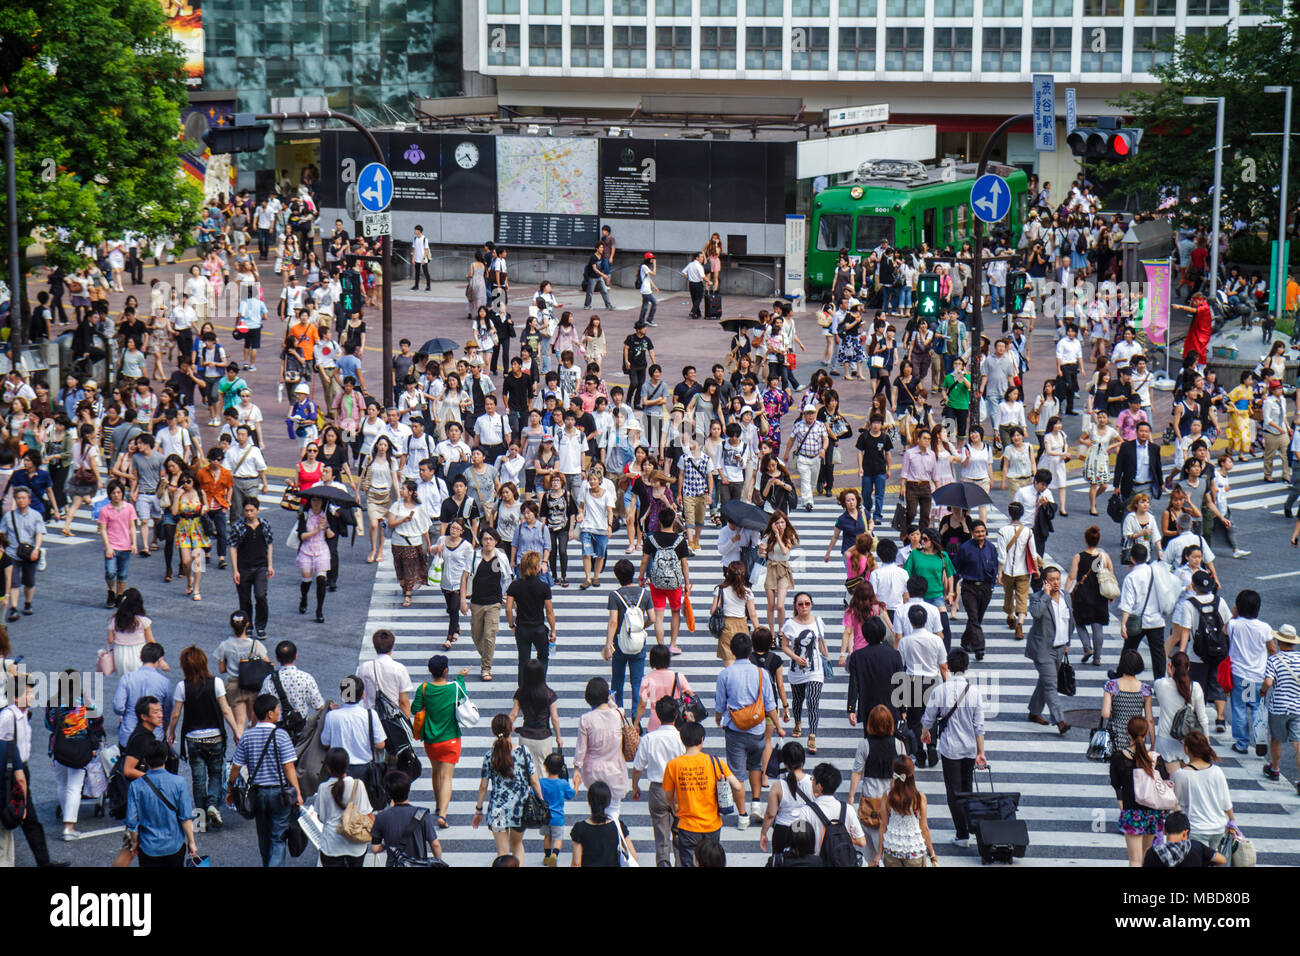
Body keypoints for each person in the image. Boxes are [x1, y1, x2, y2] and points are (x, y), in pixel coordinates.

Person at [166, 645, 241, 830]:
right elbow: (225, 710)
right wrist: (236, 731)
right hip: (215, 737)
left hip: (193, 738)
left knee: (198, 779)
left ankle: (200, 819)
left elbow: (175, 714)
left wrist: (171, 731)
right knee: (215, 774)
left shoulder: (182, 687)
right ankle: (213, 805)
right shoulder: (215, 683)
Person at [226, 694, 303, 867]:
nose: (279, 713)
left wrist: (230, 789)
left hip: (258, 793)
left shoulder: (247, 736)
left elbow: (236, 767)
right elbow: (289, 767)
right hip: (280, 793)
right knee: (278, 837)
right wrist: (297, 792)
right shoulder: (281, 735)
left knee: (264, 835)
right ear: (270, 713)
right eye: (277, 710)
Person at [714, 632, 780, 829]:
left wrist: (719, 719)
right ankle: (757, 805)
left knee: (737, 773)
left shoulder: (725, 674)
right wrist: (778, 726)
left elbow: (720, 704)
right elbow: (769, 704)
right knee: (755, 767)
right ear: (750, 650)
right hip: (757, 728)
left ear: (732, 651)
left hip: (735, 729)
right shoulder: (761, 673)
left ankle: (742, 816)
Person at [662, 720, 745, 867]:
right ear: (702, 739)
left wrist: (674, 809)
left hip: (687, 825)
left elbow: (668, 796)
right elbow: (738, 786)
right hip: (712, 824)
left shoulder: (673, 765)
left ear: (682, 740)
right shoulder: (715, 762)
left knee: (688, 862)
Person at [472, 712, 546, 865]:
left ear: (494, 731)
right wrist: (541, 800)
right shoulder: (523, 752)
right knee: (517, 844)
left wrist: (478, 809)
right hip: (520, 807)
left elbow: (483, 787)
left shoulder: (489, 756)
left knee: (502, 852)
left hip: (498, 809)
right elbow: (534, 780)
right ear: (511, 729)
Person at [1168, 569, 1232, 735]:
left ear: (1193, 586)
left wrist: (1181, 652)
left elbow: (1185, 631)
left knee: (1197, 687)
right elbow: (1227, 625)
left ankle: (1197, 717)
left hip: (1197, 654)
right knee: (1217, 685)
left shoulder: (1188, 604)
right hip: (1218, 652)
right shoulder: (1220, 601)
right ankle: (1219, 718)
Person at [411, 656, 468, 829]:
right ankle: (442, 814)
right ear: (446, 670)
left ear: (430, 671)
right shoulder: (454, 687)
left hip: (431, 739)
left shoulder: (424, 688)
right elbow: (463, 697)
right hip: (450, 738)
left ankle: (438, 805)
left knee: (436, 772)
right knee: (446, 777)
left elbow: (414, 709)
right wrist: (461, 678)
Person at [1109, 715, 1172, 867]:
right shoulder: (1155, 758)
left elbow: (1116, 784)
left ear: (1127, 732)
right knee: (1145, 856)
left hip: (1132, 813)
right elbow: (1164, 781)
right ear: (1146, 734)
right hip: (1152, 812)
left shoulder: (1119, 757)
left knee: (1135, 860)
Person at [125, 739, 198, 868]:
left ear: (145, 760)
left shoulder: (135, 786)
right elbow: (185, 817)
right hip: (174, 845)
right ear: (165, 758)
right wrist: (191, 841)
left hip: (148, 847)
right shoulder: (179, 782)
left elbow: (131, 821)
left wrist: (135, 842)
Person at [630, 696, 685, 867]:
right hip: (679, 789)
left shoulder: (649, 739)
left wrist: (635, 786)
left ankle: (663, 863)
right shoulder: (682, 737)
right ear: (676, 715)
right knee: (681, 831)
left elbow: (638, 767)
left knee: (661, 835)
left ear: (658, 715)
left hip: (658, 788)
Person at [1225, 588, 1277, 756]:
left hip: (1239, 674)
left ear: (1238, 607)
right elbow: (1272, 650)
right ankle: (1260, 738)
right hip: (1258, 675)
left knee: (1239, 709)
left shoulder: (1234, 624)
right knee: (1257, 708)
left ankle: (1242, 743)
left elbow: (1224, 631)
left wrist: (1233, 615)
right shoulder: (1265, 628)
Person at [1172, 731, 1238, 854]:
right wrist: (1232, 822)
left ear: (1187, 749)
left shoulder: (1181, 774)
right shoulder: (1216, 771)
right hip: (1217, 827)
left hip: (1195, 828)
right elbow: (1226, 802)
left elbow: (1174, 802)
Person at [1025, 565, 1072, 734]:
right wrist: (1045, 594)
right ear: (1045, 581)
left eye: (1058, 579)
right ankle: (1059, 721)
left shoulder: (1066, 597)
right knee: (1051, 685)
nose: (1056, 583)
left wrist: (1068, 643)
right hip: (1042, 649)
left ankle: (1034, 711)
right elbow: (1036, 614)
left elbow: (1069, 621)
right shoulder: (1037, 597)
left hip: (1060, 648)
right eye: (1051, 580)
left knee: (1045, 681)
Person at [639, 507, 692, 653]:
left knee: (658, 616)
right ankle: (673, 644)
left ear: (659, 521)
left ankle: (661, 646)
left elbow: (645, 561)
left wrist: (641, 577)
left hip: (657, 582)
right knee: (675, 612)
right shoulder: (680, 541)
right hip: (675, 583)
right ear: (674, 520)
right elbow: (684, 564)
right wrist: (687, 583)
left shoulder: (651, 539)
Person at [781, 592, 828, 753]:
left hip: (815, 669)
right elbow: (784, 645)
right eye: (800, 604)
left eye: (807, 603)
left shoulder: (818, 622)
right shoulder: (790, 624)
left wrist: (827, 657)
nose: (804, 607)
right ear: (795, 606)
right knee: (798, 699)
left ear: (811, 604)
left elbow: (821, 641)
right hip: (797, 669)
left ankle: (812, 735)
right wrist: (796, 657)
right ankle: (798, 722)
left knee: (813, 701)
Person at [604, 558, 654, 707]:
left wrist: (608, 644)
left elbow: (613, 621)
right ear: (633, 573)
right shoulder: (645, 593)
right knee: (637, 682)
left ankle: (618, 714)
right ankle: (636, 720)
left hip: (620, 642)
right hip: (638, 642)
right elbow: (652, 618)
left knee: (617, 681)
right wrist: (640, 627)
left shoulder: (614, 595)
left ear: (617, 576)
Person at [313, 747, 373, 868]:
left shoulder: (324, 788)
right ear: (347, 765)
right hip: (356, 843)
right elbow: (367, 813)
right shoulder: (358, 785)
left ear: (328, 768)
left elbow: (321, 817)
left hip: (331, 844)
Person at [873, 755, 937, 867]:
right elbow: (924, 828)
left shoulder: (887, 795)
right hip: (914, 850)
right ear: (912, 773)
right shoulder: (919, 797)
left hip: (892, 849)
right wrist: (932, 853)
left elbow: (883, 825)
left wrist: (879, 853)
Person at [1064, 525, 1114, 668]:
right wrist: (1111, 594)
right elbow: (1111, 576)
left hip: (1082, 596)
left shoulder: (1078, 557)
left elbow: (1071, 577)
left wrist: (1065, 592)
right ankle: (1097, 657)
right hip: (1100, 595)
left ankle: (1087, 648)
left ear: (1086, 541)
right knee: (1098, 626)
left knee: (1079, 622)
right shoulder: (1105, 557)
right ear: (1098, 541)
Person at [370, 770, 443, 866]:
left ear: (388, 794)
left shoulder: (381, 817)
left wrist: (387, 845)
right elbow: (435, 844)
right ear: (409, 790)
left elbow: (375, 848)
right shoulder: (422, 814)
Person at [1118, 544, 1167, 679]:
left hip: (1137, 619)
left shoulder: (1131, 577)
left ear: (1132, 558)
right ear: (1147, 556)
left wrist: (1123, 623)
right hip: (1157, 619)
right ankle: (1160, 680)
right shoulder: (1157, 571)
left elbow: (1128, 603)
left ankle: (1120, 674)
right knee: (1158, 653)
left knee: (1129, 649)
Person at [847, 617, 905, 729]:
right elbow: (901, 683)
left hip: (868, 706)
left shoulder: (857, 656)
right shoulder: (894, 655)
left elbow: (854, 685)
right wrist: (903, 709)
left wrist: (851, 708)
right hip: (891, 706)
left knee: (870, 740)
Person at [1153, 651, 1208, 766]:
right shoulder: (1195, 687)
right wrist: (1206, 742)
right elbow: (1203, 719)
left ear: (1170, 666)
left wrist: (1169, 674)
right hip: (1187, 740)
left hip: (1165, 738)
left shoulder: (1160, 685)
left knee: (1168, 780)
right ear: (1188, 668)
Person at [1262, 623, 1300, 788]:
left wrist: (1262, 691)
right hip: (1298, 707)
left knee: (1276, 739)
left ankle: (1275, 769)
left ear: (1279, 641)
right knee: (1298, 743)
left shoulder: (1274, 660)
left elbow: (1269, 682)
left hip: (1278, 707)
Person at [506, 550, 557, 674]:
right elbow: (549, 611)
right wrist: (553, 630)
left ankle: (523, 687)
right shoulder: (544, 587)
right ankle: (540, 684)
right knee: (543, 657)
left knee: (523, 660)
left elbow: (508, 608)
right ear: (536, 568)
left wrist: (512, 625)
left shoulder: (514, 586)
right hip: (538, 628)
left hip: (522, 628)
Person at [569, 779, 637, 868]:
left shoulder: (579, 828)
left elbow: (576, 863)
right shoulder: (617, 826)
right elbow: (633, 856)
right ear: (608, 802)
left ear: (589, 801)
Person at [2, 489, 45, 622]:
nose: (21, 500)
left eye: (24, 498)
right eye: (19, 498)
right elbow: (2, 533)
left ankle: (27, 602)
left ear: (29, 500)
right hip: (12, 553)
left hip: (29, 553)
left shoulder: (36, 516)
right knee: (14, 582)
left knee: (29, 581)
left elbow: (39, 533)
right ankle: (13, 607)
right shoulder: (9, 516)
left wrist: (36, 549)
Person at [1102, 649, 1156, 752]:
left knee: (1117, 764)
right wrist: (1153, 743)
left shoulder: (1111, 686)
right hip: (1137, 734)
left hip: (1116, 733)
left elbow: (1105, 714)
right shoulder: (1145, 689)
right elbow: (1150, 719)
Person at [758, 509, 798, 634]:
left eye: (782, 522)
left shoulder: (789, 536)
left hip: (783, 569)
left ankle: (781, 631)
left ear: (786, 523)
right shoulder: (767, 537)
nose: (780, 525)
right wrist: (761, 551)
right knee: (771, 605)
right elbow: (763, 556)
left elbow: (785, 551)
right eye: (777, 523)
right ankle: (772, 632)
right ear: (772, 524)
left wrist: (777, 536)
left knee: (780, 605)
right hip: (770, 568)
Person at [1143, 810, 1226, 867]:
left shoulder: (1153, 853)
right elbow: (1222, 860)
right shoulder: (1196, 846)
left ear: (1164, 831)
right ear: (1185, 833)